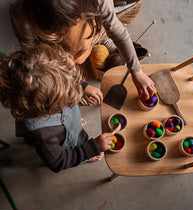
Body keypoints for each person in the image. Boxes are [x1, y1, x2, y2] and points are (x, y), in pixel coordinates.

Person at [10, 0, 155, 102]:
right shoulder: (24, 21)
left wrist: (136, 71)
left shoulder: (96, 3)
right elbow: (44, 65)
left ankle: (91, 45)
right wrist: (78, 85)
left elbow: (114, 27)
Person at [0, 44, 113, 172]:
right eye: (67, 99)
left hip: (64, 123)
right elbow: (59, 161)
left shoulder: (51, 83)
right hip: (66, 142)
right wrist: (92, 148)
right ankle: (72, 136)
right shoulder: (42, 135)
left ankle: (69, 126)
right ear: (48, 109)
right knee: (79, 145)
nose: (74, 96)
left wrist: (83, 86)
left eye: (71, 82)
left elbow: (64, 77)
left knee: (73, 125)